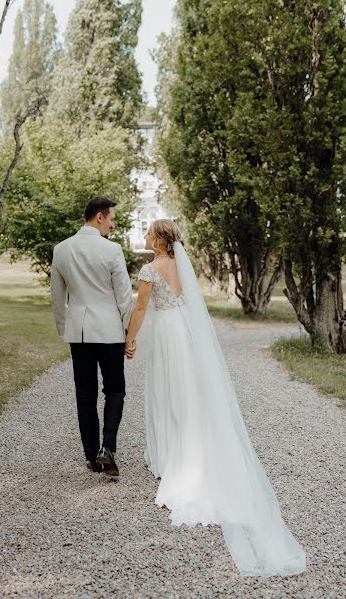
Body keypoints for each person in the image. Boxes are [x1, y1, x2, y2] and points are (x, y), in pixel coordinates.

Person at [125, 219, 306, 577]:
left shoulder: (150, 269)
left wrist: (129, 339)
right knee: (184, 391)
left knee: (164, 391)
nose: (145, 237)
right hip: (183, 333)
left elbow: (142, 309)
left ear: (160, 240)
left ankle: (166, 458)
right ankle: (177, 449)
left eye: (149, 233)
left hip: (164, 334)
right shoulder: (182, 266)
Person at [50, 197, 133, 476]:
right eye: (111, 219)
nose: (112, 224)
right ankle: (107, 448)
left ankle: (91, 457)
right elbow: (123, 296)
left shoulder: (61, 250)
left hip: (80, 333)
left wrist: (66, 329)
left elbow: (57, 298)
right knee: (115, 389)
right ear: (99, 217)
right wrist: (128, 331)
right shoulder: (112, 250)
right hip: (109, 332)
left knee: (85, 395)